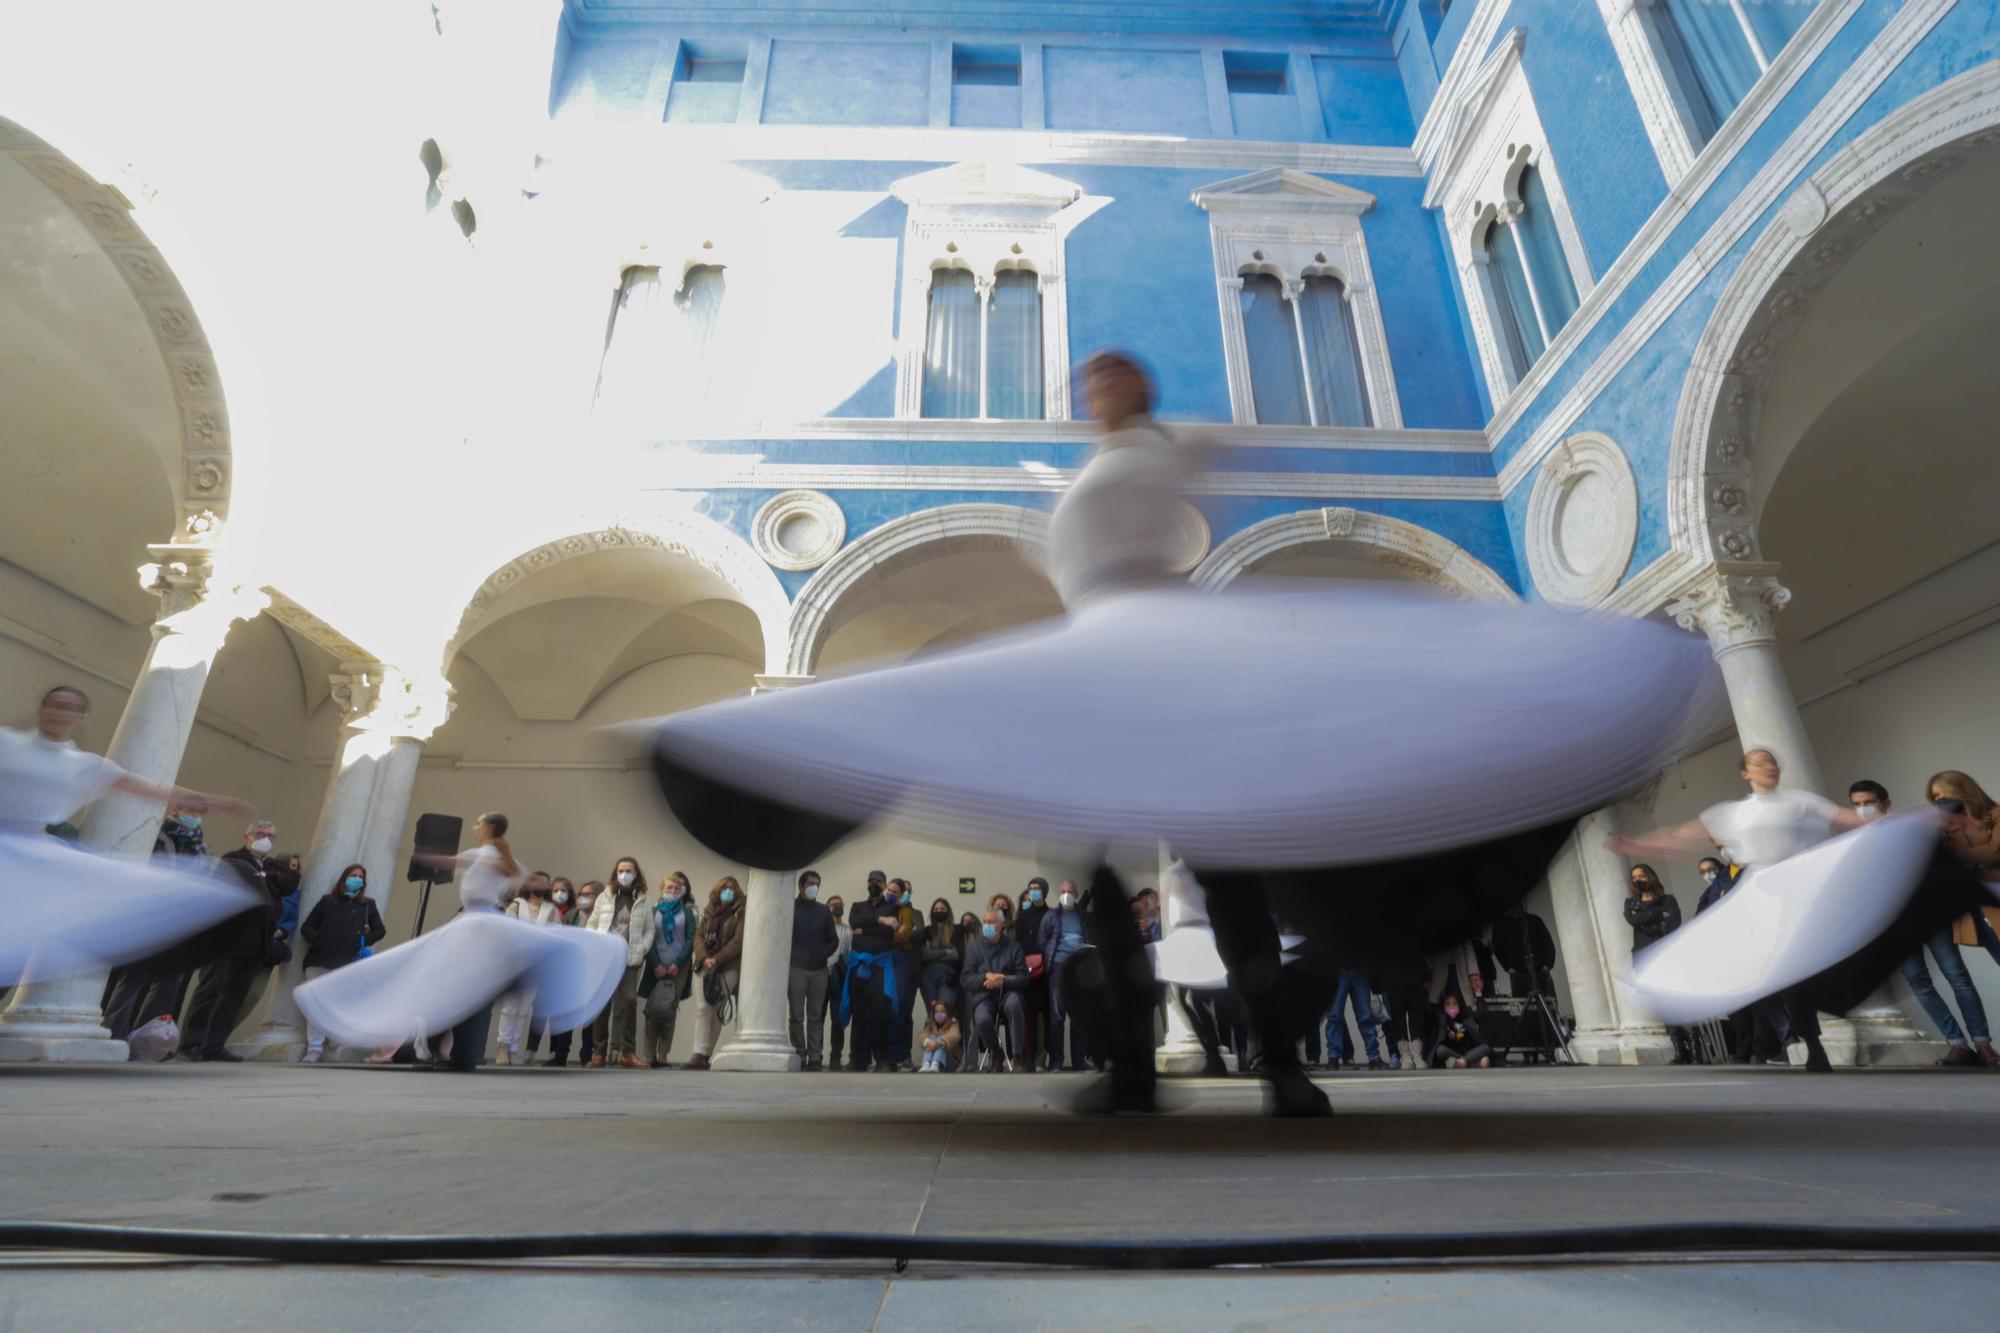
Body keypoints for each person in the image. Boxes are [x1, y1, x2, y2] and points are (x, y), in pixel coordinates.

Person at [647, 351, 1717, 1116]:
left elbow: (1216, 445)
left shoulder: (1153, 447)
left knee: (1228, 861)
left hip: (1167, 650)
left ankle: (1280, 1066)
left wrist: (1247, 442)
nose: (1094, 394)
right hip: (1103, 654)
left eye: (1110, 382)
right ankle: (1132, 1067)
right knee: (1093, 860)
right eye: (1091, 387)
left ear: (1138, 393)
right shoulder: (1096, 467)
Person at [295, 813, 625, 1071]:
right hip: (473, 921)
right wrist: (415, 853)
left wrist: (417, 853)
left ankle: (519, 998)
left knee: (444, 973)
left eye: (479, 823)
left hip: (481, 922)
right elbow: (469, 866)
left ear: (489, 828)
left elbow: (480, 869)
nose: (474, 826)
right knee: (438, 975)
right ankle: (443, 1046)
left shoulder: (489, 855)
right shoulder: (489, 856)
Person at [1614, 749, 1871, 1072]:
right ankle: (1811, 1043)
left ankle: (1816, 1028)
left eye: (1772, 761)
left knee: (1810, 969)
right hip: (1764, 896)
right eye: (1758, 762)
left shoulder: (1801, 802)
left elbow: (1847, 819)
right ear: (1745, 774)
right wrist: (1638, 845)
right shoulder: (1733, 813)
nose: (1768, 766)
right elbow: (1681, 836)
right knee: (1782, 974)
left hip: (1804, 890)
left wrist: (1899, 820)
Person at [1850, 779, 1997, 1068]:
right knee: (1919, 982)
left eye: (1868, 802)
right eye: (1856, 804)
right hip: (1893, 920)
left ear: (1885, 803)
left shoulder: (1907, 827)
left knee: (1956, 975)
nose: (1863, 809)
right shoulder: (1856, 840)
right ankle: (1957, 1045)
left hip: (1927, 911)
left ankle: (1983, 1044)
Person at [178, 820, 290, 1062]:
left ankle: (215, 1045)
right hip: (228, 939)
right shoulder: (232, 859)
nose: (266, 839)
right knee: (210, 991)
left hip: (256, 943)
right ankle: (191, 1044)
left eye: (271, 836)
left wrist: (264, 875)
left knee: (234, 996)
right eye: (260, 834)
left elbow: (288, 881)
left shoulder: (270, 866)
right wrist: (263, 876)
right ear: (247, 836)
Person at [102, 803, 214, 1040]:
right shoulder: (157, 836)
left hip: (183, 919)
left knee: (169, 983)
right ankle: (115, 1034)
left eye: (200, 812)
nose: (196, 816)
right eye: (191, 810)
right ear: (176, 810)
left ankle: (148, 1038)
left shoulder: (200, 846)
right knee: (133, 977)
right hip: (152, 913)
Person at [294, 862, 387, 1063]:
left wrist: (361, 939)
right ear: (344, 878)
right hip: (320, 957)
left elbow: (379, 929)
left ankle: (334, 1037)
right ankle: (314, 1048)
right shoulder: (327, 901)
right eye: (353, 875)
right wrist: (320, 938)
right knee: (316, 1005)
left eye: (360, 877)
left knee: (339, 1004)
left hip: (347, 959)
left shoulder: (367, 905)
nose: (357, 879)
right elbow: (307, 927)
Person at [585, 856, 656, 1069]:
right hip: (606, 955)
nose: (624, 875)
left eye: (629, 871)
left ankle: (628, 1052)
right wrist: (595, 941)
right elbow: (592, 923)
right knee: (602, 1004)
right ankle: (599, 1053)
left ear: (636, 874)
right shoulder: (604, 897)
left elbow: (649, 929)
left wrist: (642, 948)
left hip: (629, 958)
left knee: (630, 1002)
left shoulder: (643, 900)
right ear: (615, 873)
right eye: (621, 871)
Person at [1929, 771, 2000, 967]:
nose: (1940, 800)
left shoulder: (1996, 814)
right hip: (1979, 911)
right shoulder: (1944, 829)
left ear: (1962, 789)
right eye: (1935, 797)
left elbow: (1995, 852)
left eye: (1943, 793)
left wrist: (1960, 856)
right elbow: (1942, 862)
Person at [1623, 864, 1693, 1064]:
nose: (1638, 880)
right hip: (1645, 959)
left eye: (1642, 875)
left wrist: (1647, 919)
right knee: (1660, 1004)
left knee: (1678, 1001)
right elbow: (1634, 921)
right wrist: (1658, 916)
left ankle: (1695, 1048)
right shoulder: (1631, 903)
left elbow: (1673, 924)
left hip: (1667, 955)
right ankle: (1680, 1050)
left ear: (1651, 876)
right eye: (1634, 877)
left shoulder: (1668, 900)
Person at [495, 872, 560, 1065]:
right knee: (510, 1007)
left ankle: (514, 1048)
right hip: (516, 961)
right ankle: (502, 1046)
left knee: (524, 1009)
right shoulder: (516, 904)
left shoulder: (551, 909)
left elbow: (556, 934)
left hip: (538, 963)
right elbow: (506, 932)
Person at [685, 876, 745, 1071]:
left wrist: (717, 959)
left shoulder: (741, 912)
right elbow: (698, 936)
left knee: (717, 1010)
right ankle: (697, 1053)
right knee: (703, 1009)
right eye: (724, 888)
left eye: (731, 888)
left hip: (728, 967)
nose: (727, 891)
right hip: (704, 965)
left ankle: (705, 1054)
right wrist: (704, 958)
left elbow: (738, 941)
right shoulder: (709, 911)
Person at [840, 872, 897, 1072]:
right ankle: (858, 1058)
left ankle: (881, 1058)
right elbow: (854, 922)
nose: (874, 884)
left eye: (878, 882)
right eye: (871, 881)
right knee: (859, 1012)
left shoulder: (893, 907)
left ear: (884, 884)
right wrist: (881, 920)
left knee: (881, 1013)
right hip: (859, 967)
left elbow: (888, 934)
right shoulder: (857, 906)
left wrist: (866, 929)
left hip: (880, 967)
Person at [960, 909, 1030, 1071]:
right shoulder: (974, 948)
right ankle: (996, 1052)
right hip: (983, 997)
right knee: (982, 1018)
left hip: (1008, 993)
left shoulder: (1014, 947)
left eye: (991, 922)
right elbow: (966, 979)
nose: (987, 925)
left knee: (1014, 1004)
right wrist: (986, 976)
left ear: (1001, 925)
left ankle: (1018, 1056)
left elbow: (1023, 977)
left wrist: (1002, 980)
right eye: (985, 922)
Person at [639, 871, 695, 1068]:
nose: (672, 891)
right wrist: (656, 964)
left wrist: (677, 964)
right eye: (669, 887)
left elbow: (690, 939)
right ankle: (648, 1054)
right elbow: (648, 937)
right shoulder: (653, 911)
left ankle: (663, 1054)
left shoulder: (687, 912)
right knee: (653, 1010)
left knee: (669, 1010)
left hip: (678, 967)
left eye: (676, 888)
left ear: (682, 891)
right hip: (656, 965)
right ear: (662, 890)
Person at [543, 878, 597, 1067]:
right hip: (571, 967)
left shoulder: (602, 916)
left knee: (589, 1016)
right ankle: (560, 1055)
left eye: (588, 894)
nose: (583, 897)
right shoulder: (572, 914)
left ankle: (587, 1055)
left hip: (592, 968)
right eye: (582, 894)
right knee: (566, 1012)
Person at [787, 869, 838, 1070]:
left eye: (817, 884)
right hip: (796, 969)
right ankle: (800, 1053)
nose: (814, 887)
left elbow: (833, 940)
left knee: (816, 1015)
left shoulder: (823, 911)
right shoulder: (790, 908)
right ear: (801, 886)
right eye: (810, 883)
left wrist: (822, 953)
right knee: (797, 1015)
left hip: (819, 970)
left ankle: (815, 1057)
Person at [1038, 881, 1091, 1070]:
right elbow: (1042, 940)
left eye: (1069, 891)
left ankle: (1079, 1060)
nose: (1066, 895)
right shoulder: (1051, 916)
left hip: (1080, 968)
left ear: (1076, 894)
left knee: (1079, 1015)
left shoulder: (1083, 916)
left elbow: (1089, 938)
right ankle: (1056, 1062)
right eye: (1062, 892)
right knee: (1057, 1017)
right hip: (1059, 968)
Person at [1015, 879, 1051, 1070]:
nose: (1033, 891)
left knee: (1047, 1017)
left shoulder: (1051, 914)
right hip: (1028, 973)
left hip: (1047, 973)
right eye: (1031, 888)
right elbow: (1018, 943)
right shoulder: (1023, 916)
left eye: (1037, 889)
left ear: (1044, 891)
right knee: (1029, 1018)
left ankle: (1043, 1058)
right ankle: (1029, 1058)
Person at [888, 878, 922, 1071]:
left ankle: (904, 1055)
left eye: (908, 890)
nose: (904, 893)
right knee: (891, 1012)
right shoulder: (888, 910)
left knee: (905, 1014)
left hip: (911, 969)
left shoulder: (915, 913)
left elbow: (919, 934)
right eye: (902, 890)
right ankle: (890, 1055)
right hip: (890, 966)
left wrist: (900, 932)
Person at [1323, 968, 1385, 1071]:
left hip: (1357, 969)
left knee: (1364, 1017)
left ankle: (1334, 1057)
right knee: (1336, 1016)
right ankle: (1373, 1056)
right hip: (1344, 970)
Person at [918, 895, 962, 1018]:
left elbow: (956, 955)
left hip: (949, 978)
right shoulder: (927, 931)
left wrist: (934, 954)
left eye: (942, 909)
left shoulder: (956, 931)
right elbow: (925, 956)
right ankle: (932, 1038)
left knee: (943, 1015)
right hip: (928, 978)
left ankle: (944, 1038)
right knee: (932, 1015)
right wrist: (945, 952)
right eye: (936, 909)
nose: (939, 911)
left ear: (948, 911)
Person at [1429, 991, 1491, 1069]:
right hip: (1452, 1053)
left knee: (1485, 1048)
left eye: (1455, 1003)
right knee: (1440, 1050)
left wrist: (1478, 994)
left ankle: (1463, 1062)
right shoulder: (1441, 1019)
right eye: (1448, 1004)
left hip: (1469, 1052)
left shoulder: (1466, 1017)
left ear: (1459, 1005)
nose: (1451, 1006)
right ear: (1443, 1006)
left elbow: (1481, 1014)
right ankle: (1469, 1063)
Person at [824, 893, 850, 1072]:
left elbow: (849, 953)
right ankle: (814, 1054)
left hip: (838, 976)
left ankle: (835, 1057)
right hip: (819, 973)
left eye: (839, 904)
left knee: (837, 1018)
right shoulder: (822, 928)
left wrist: (839, 966)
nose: (837, 907)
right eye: (833, 904)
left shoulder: (848, 930)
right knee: (816, 1016)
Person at [918, 999, 961, 1073]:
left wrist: (938, 1043)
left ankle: (936, 1063)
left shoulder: (953, 1023)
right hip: (931, 1058)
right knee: (931, 1038)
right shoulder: (930, 1025)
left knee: (940, 1040)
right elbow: (922, 1035)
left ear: (948, 1013)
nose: (939, 1014)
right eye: (937, 1012)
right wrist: (927, 1041)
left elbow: (954, 1036)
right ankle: (927, 1063)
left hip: (949, 1060)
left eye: (942, 1012)